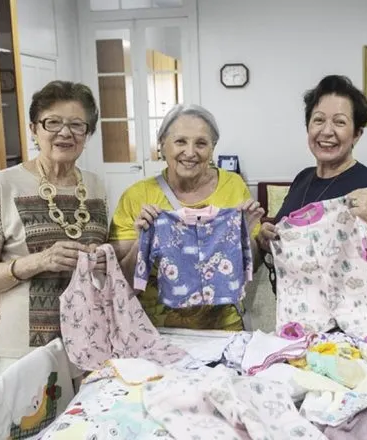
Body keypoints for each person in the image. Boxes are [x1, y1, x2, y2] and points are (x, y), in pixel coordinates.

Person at [0, 81, 109, 376]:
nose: (65, 133)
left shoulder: (95, 186)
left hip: (89, 339)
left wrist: (104, 258)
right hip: (25, 349)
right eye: (52, 122)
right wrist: (39, 261)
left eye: (77, 125)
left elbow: (104, 266)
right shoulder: (2, 185)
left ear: (87, 134)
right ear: (34, 129)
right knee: (32, 422)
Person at [109, 104, 264, 331]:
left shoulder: (233, 185)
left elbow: (251, 268)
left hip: (224, 327)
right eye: (180, 141)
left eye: (201, 143)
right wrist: (142, 241)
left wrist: (245, 234)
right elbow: (120, 280)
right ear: (162, 144)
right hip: (156, 331)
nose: (190, 152)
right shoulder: (138, 196)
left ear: (212, 149)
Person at [258, 74, 367, 281]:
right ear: (308, 127)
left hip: (347, 310)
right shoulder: (302, 178)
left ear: (357, 134)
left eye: (339, 122)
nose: (326, 131)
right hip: (294, 307)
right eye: (318, 120)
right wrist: (267, 238)